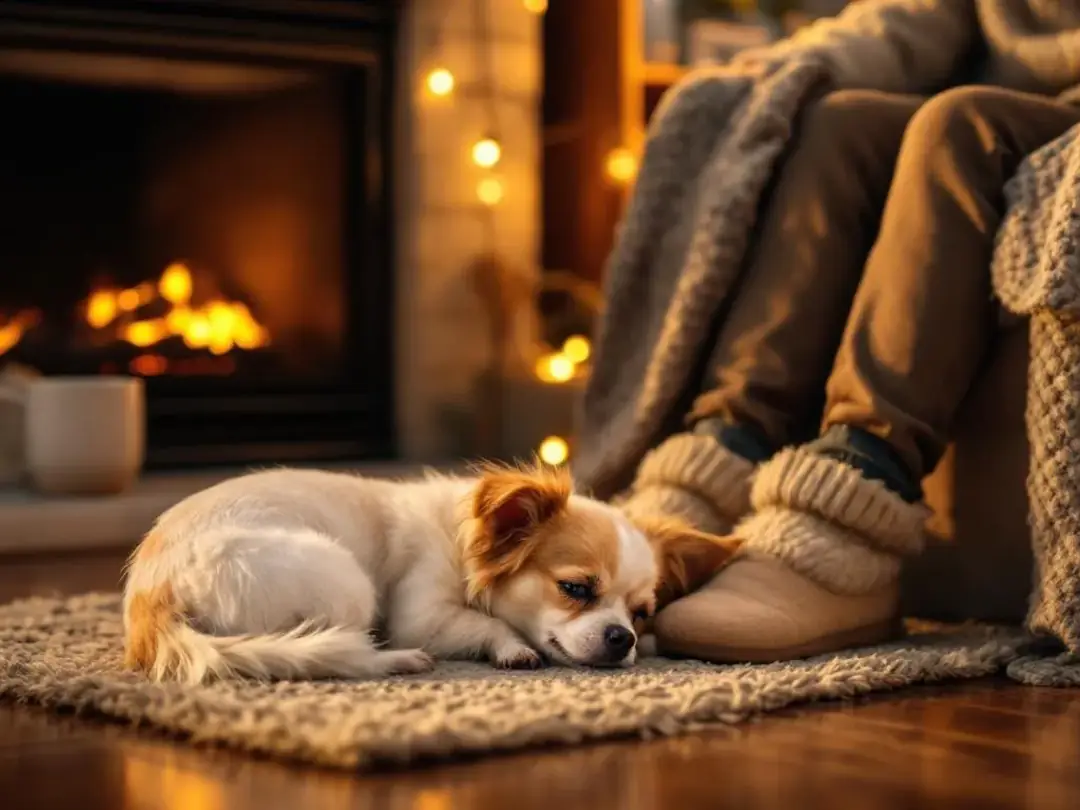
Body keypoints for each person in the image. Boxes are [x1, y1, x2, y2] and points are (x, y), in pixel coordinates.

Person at [573, 0, 1080, 663]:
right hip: (1005, 98)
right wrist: (781, 67)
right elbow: (919, 14)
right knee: (838, 123)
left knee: (960, 125)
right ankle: (718, 462)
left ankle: (847, 518)